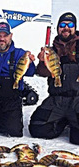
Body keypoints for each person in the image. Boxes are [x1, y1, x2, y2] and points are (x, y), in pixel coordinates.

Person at [29, 12, 79, 145]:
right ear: (58, 28)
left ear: (75, 28)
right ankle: (64, 120)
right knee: (37, 128)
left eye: (70, 25)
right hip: (57, 99)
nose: (66, 28)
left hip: (77, 99)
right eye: (62, 25)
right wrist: (41, 62)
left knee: (77, 139)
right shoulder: (50, 50)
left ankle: (72, 120)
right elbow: (42, 72)